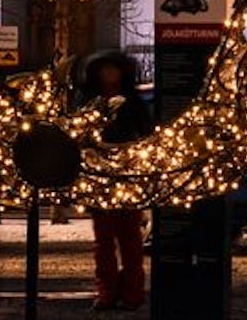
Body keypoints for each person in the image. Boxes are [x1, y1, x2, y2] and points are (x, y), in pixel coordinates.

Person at [83, 50, 154, 311]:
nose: (109, 75)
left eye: (113, 70)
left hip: (125, 176)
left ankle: (131, 292)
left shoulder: (132, 103)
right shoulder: (91, 102)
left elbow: (145, 132)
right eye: (105, 70)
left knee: (129, 238)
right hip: (101, 177)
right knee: (104, 241)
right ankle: (108, 291)